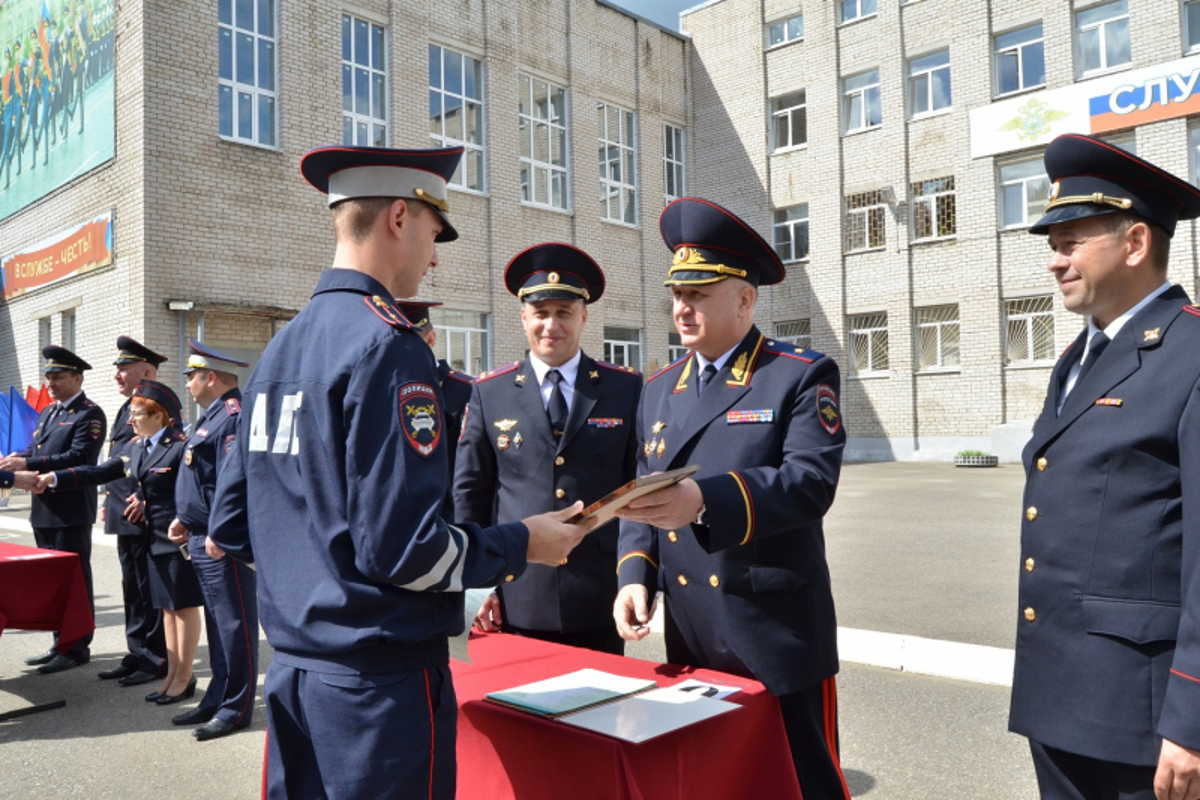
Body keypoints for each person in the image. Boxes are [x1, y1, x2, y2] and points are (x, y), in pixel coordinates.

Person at [207, 144, 592, 800]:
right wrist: (526, 541)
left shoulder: (278, 351)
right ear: (398, 219)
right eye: (434, 233)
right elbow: (406, 550)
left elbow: (232, 525)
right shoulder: (387, 345)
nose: (435, 256)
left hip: (295, 676)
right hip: (375, 687)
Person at [613, 197, 849, 799]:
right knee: (712, 779)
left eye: (699, 294)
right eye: (677, 294)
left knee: (800, 781)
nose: (681, 309)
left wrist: (704, 500)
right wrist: (635, 573)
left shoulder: (797, 374)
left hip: (771, 630)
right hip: (692, 631)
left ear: (744, 299)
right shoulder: (660, 388)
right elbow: (643, 485)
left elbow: (809, 484)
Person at [1009, 133, 1200, 800]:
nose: (1055, 262)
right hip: (1061, 696)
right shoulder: (1077, 358)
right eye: (1053, 247)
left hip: (1144, 719)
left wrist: (1193, 719)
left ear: (1137, 243)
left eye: (1071, 242)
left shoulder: (1191, 352)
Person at [455, 243, 641, 655]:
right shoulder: (490, 392)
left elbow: (636, 491)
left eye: (563, 312)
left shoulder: (624, 389)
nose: (550, 325)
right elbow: (471, 495)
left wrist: (635, 575)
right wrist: (478, 581)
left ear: (584, 316)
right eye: (540, 313)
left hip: (600, 591)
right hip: (516, 594)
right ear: (523, 317)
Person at [39, 380, 204, 707]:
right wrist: (53, 478)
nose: (131, 420)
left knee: (183, 607)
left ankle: (185, 676)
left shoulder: (181, 445)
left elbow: (195, 489)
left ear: (159, 416)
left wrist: (187, 520)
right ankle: (172, 673)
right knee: (167, 610)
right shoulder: (137, 447)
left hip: (175, 539)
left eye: (138, 414)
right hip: (150, 540)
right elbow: (99, 472)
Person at [168, 339, 259, 742]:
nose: (187, 383)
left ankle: (236, 708)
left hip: (221, 540)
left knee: (234, 625)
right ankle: (217, 696)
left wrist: (222, 530)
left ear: (211, 377)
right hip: (203, 535)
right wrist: (184, 519)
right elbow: (202, 479)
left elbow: (232, 481)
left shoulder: (233, 415)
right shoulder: (211, 415)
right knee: (218, 626)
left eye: (192, 376)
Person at [1, 345, 107, 674]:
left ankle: (76, 646)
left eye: (58, 377)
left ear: (77, 378)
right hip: (43, 507)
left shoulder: (90, 413)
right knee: (53, 582)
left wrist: (27, 463)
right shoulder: (50, 413)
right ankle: (60, 641)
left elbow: (79, 458)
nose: (51, 383)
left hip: (71, 509)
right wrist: (14, 461)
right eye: (48, 377)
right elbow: (35, 448)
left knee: (74, 579)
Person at [99, 336, 169, 687]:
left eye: (123, 369)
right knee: (131, 587)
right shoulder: (127, 407)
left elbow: (159, 459)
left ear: (145, 371)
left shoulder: (155, 404)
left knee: (147, 586)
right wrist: (106, 499)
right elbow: (118, 460)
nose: (117, 375)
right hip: (122, 510)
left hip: (143, 512)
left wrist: (141, 495)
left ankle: (155, 657)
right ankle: (137, 650)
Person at [395, 300, 473, 519]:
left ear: (430, 340)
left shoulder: (466, 391)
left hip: (450, 520)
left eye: (405, 346)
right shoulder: (386, 391)